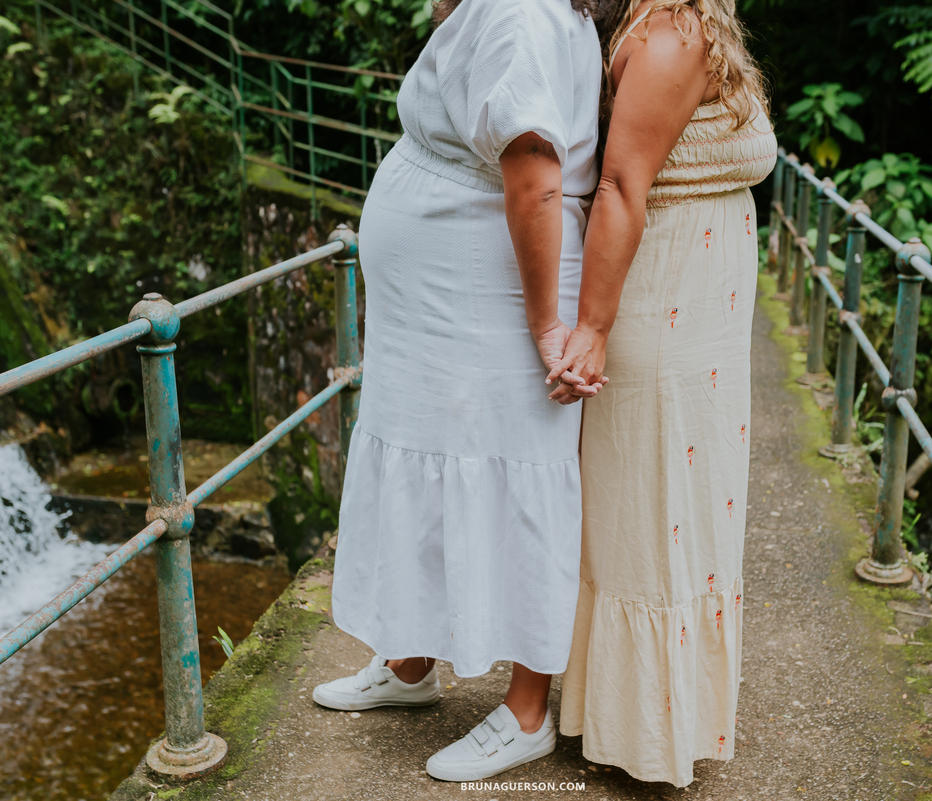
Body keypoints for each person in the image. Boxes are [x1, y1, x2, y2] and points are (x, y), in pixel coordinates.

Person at [313, 0, 606, 783]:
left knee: (516, 476)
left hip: (495, 294)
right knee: (431, 465)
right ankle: (411, 662)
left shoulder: (523, 14)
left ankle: (526, 710)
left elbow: (537, 181)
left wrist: (548, 326)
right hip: (441, 301)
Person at [550, 0, 777, 786]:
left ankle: (629, 713)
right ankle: (643, 734)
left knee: (673, 511)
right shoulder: (670, 37)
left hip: (701, 317)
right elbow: (618, 186)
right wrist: (593, 328)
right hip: (665, 310)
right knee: (656, 514)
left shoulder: (691, 22)